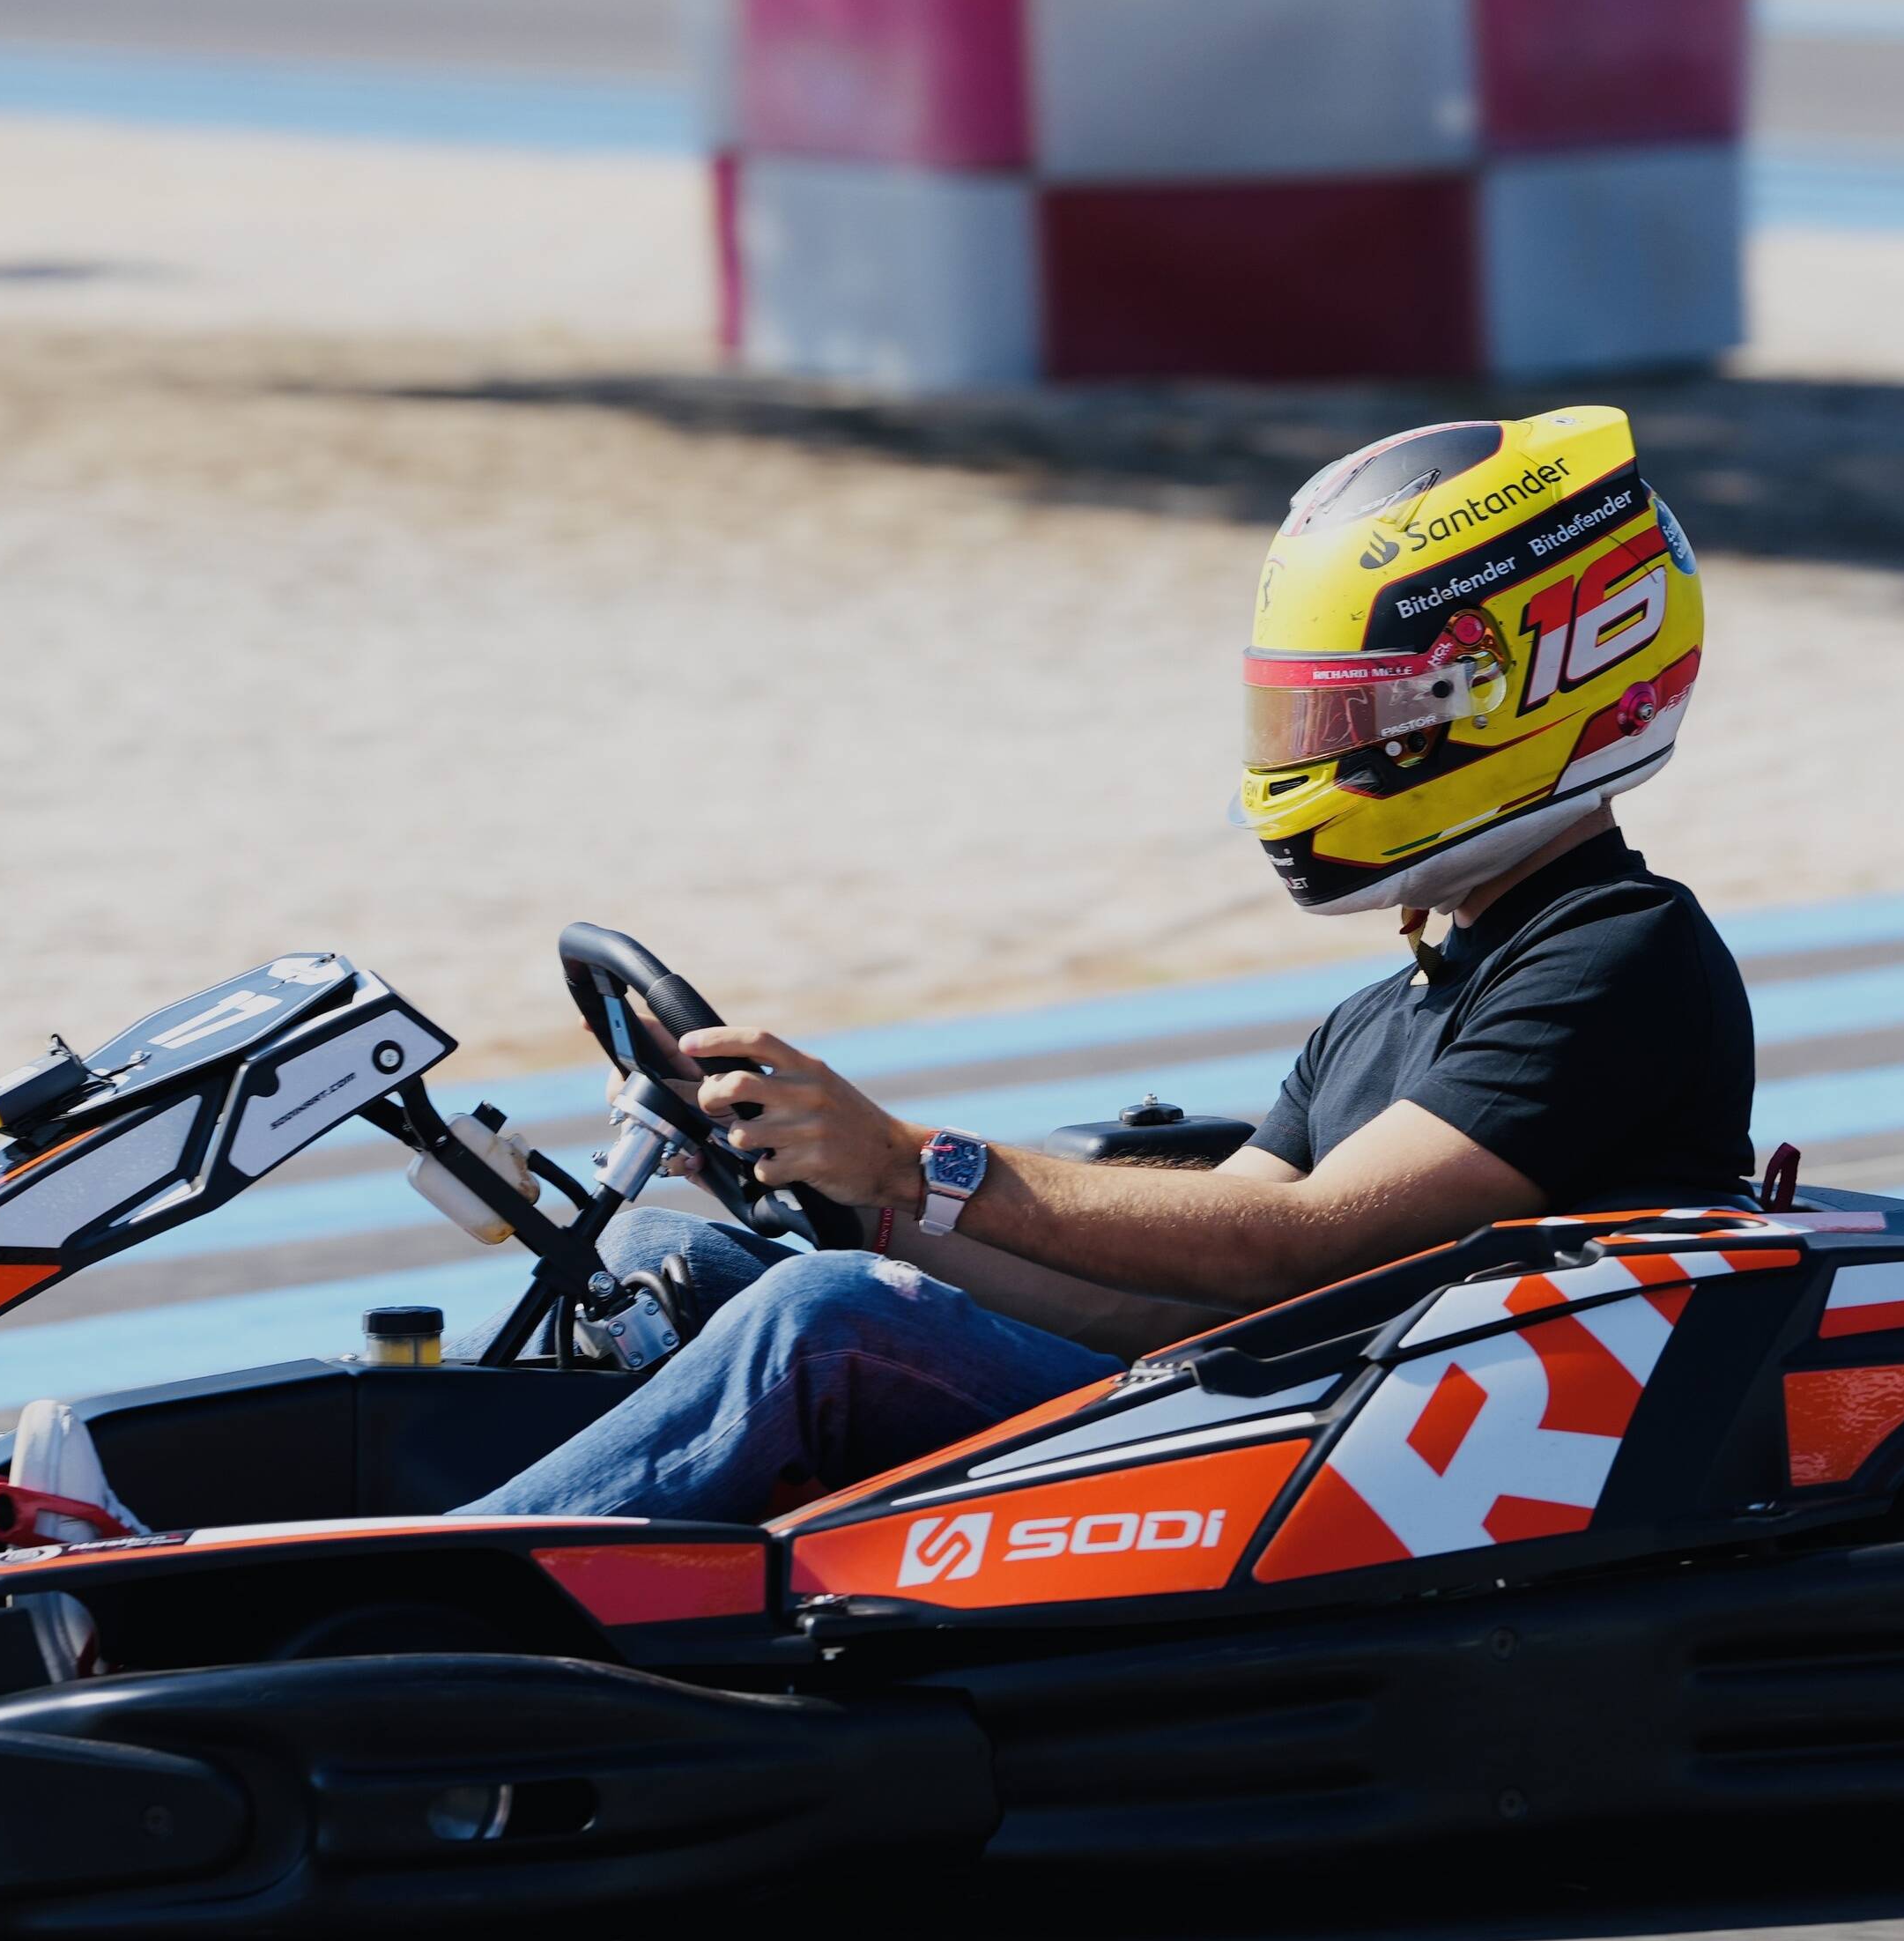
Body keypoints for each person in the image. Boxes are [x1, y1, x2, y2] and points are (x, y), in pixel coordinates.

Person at [456, 404, 1756, 1526]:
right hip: (1253, 1424)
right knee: (719, 1274)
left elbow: (1290, 1250)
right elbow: (1149, 1308)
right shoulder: (1378, 1021)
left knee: (825, 1323)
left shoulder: (1620, 957)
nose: (1307, 755)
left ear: (1511, 689)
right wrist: (856, 1194)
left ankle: (431, 1582)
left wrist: (917, 1158)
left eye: (1344, 718)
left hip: (1355, 1480)